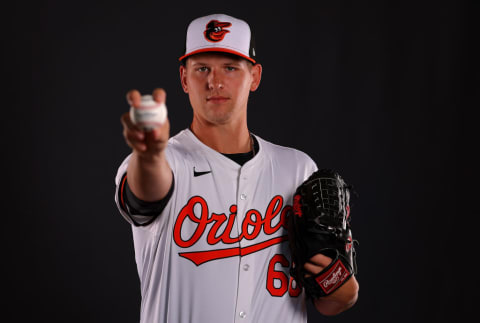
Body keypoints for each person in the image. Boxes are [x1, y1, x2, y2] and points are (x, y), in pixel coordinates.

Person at [115, 13, 359, 323]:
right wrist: (148, 157)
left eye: (230, 68)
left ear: (254, 77)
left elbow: (332, 301)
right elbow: (145, 194)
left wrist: (342, 286)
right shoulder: (167, 161)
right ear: (184, 79)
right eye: (202, 68)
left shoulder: (297, 169)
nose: (214, 82)